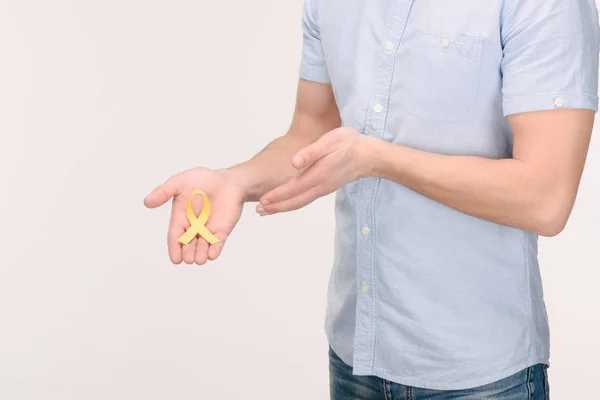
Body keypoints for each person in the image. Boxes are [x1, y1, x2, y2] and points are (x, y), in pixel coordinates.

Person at [144, 0, 599, 398]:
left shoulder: (545, 5)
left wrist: (377, 159)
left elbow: (545, 198)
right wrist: (235, 180)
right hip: (355, 356)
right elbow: (311, 132)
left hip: (480, 373)